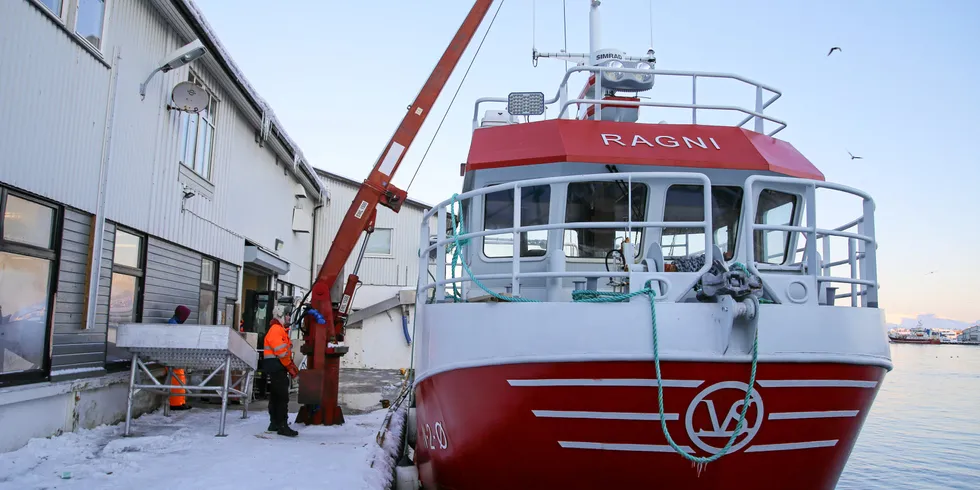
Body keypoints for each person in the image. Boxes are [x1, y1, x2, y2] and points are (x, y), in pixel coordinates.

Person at [263, 304, 300, 437]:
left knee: (275, 397)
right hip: (277, 368)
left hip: (276, 368)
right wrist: (292, 369)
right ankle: (282, 426)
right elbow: (281, 353)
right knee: (281, 398)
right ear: (280, 315)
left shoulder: (279, 330)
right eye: (287, 315)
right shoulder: (276, 330)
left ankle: (274, 423)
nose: (289, 317)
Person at [167, 305, 192, 411]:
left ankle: (180, 402)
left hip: (175, 357)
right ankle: (176, 403)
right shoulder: (173, 325)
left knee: (180, 378)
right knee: (177, 378)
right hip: (171, 358)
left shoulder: (175, 323)